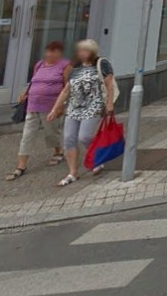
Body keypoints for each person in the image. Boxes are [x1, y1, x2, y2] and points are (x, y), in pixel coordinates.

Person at [46, 39, 116, 187]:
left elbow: (109, 84)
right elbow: (66, 90)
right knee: (69, 139)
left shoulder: (101, 63)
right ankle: (72, 172)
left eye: (85, 50)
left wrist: (109, 104)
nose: (82, 53)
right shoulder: (75, 68)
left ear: (92, 52)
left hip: (93, 105)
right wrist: (55, 108)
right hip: (74, 107)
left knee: (85, 136)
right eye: (80, 50)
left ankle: (98, 157)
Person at [6, 41, 67, 181]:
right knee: (27, 134)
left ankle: (58, 151)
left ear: (59, 53)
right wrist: (26, 92)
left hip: (51, 106)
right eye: (48, 51)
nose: (49, 54)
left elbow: (66, 86)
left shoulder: (64, 65)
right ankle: (21, 166)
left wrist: (61, 106)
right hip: (33, 105)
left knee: (51, 132)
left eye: (53, 51)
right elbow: (34, 81)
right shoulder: (39, 65)